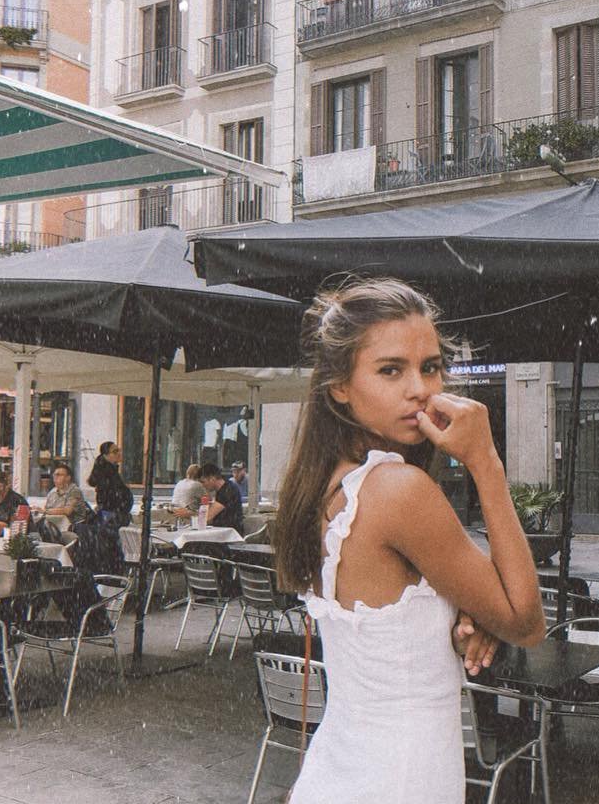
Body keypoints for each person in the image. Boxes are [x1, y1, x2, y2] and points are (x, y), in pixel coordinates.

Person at [277, 278, 544, 804]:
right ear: (339, 385)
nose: (420, 388)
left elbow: (381, 635)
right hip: (404, 776)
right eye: (391, 370)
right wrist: (485, 462)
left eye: (431, 366)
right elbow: (528, 621)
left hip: (339, 767)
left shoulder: (322, 486)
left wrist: (456, 625)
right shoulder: (399, 490)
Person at [87, 441, 133, 527]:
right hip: (111, 517)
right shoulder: (106, 473)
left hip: (114, 515)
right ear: (106, 455)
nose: (119, 453)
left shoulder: (112, 471)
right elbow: (109, 496)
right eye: (115, 452)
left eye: (119, 450)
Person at [198, 462, 244, 534]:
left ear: (212, 479)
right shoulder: (225, 487)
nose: (203, 485)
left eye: (203, 482)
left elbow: (207, 517)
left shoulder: (227, 491)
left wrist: (188, 514)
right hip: (223, 531)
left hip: (230, 535)